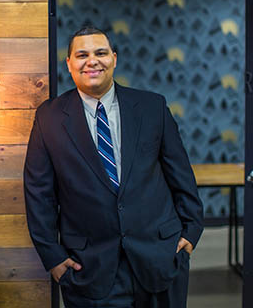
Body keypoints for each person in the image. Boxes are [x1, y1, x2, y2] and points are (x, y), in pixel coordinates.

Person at [23, 26, 204, 308]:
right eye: (82, 55)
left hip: (160, 258)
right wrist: (54, 258)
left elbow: (180, 174)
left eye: (101, 53)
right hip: (89, 268)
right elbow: (38, 194)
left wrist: (191, 233)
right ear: (69, 63)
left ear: (114, 59)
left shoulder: (152, 107)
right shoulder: (49, 118)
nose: (92, 61)